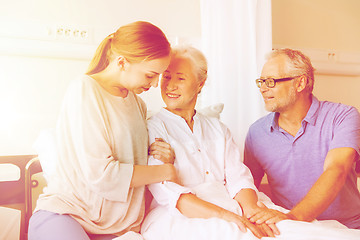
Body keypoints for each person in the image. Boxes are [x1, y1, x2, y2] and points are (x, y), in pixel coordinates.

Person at [141, 45, 360, 240]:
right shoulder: (154, 128)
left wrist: (253, 211)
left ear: (200, 83)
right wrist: (236, 215)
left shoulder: (219, 129)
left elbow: (241, 179)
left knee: (294, 231)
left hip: (337, 219)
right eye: (166, 77)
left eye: (180, 78)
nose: (263, 88)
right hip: (187, 213)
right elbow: (167, 190)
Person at [28, 21, 178, 240]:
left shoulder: (138, 104)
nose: (155, 84)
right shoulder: (85, 90)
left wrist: (158, 153)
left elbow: (128, 157)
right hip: (68, 214)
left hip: (120, 227)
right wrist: (166, 172)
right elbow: (102, 175)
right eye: (150, 75)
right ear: (122, 62)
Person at [244, 48, 360, 229]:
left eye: (270, 81)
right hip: (293, 230)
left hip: (348, 227)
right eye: (261, 82)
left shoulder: (343, 116)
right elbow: (248, 187)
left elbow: (337, 169)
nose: (263, 89)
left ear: (300, 83)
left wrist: (294, 216)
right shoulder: (256, 132)